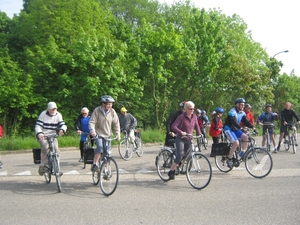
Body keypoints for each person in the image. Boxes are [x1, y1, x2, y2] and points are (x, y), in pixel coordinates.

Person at [167, 101, 202, 180]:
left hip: (189, 138)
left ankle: (178, 166)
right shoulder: (181, 117)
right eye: (190, 109)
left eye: (193, 109)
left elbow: (196, 126)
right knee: (179, 155)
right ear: (186, 109)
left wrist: (200, 134)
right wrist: (181, 132)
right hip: (181, 139)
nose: (192, 110)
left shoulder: (194, 116)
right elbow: (173, 126)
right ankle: (171, 171)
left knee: (188, 154)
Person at [89, 95, 120, 171]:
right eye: (108, 104)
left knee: (107, 153)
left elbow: (116, 123)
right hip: (98, 134)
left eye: (111, 104)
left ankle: (106, 170)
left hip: (108, 135)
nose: (110, 106)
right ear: (103, 104)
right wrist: (92, 131)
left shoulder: (112, 112)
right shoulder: (97, 110)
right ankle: (95, 164)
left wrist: (117, 134)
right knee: (100, 147)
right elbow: (92, 122)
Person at [35, 102, 67, 176]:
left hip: (53, 135)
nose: (53, 110)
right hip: (43, 135)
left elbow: (62, 124)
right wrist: (39, 133)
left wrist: (62, 130)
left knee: (57, 150)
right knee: (45, 148)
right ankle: (42, 165)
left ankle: (57, 168)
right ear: (48, 109)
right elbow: (38, 126)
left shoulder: (58, 115)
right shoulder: (43, 114)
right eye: (52, 109)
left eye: (55, 109)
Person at [223, 98, 255, 168]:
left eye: (243, 105)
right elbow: (234, 122)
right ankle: (229, 158)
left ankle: (242, 153)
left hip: (235, 129)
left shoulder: (242, 113)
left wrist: (253, 127)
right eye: (241, 105)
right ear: (237, 105)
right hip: (228, 129)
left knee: (245, 137)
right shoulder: (232, 112)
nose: (243, 106)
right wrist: (240, 128)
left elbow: (246, 121)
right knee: (236, 143)